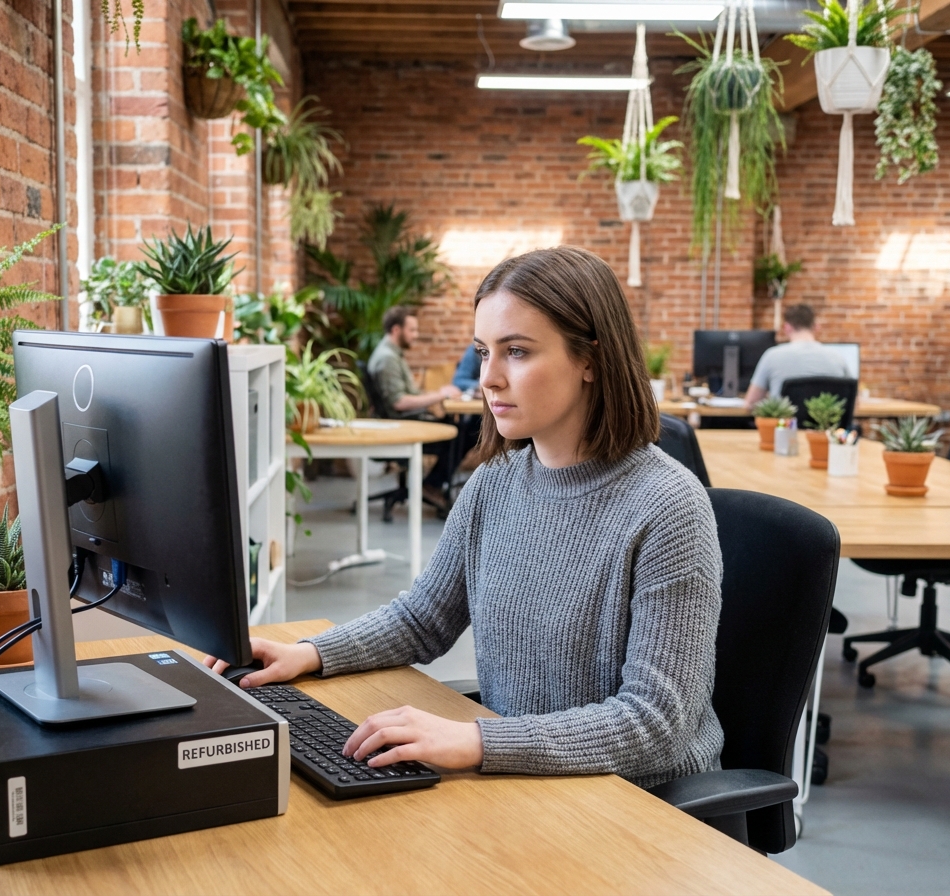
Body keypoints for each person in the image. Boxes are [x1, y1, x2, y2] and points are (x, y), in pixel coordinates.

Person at [207, 246, 724, 789]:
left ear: (591, 360)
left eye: (517, 352)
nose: (489, 379)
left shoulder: (668, 506)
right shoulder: (494, 484)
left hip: (640, 804)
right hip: (528, 780)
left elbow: (656, 724)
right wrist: (307, 654)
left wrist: (477, 741)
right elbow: (424, 618)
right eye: (483, 352)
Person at [368, 306, 462, 503]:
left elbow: (408, 395)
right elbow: (400, 402)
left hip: (406, 420)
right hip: (401, 426)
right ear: (396, 330)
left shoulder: (393, 355)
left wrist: (438, 394)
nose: (415, 335)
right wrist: (439, 395)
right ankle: (432, 485)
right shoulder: (387, 359)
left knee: (460, 428)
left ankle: (433, 484)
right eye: (412, 330)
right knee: (460, 435)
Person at [744, 303, 852, 407]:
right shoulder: (837, 358)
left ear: (786, 327)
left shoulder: (772, 356)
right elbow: (853, 402)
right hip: (826, 425)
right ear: (816, 327)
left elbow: (751, 402)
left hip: (785, 425)